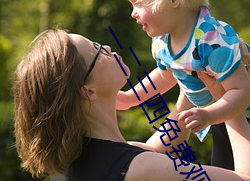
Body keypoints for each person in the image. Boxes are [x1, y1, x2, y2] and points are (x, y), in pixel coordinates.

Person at [13, 29, 250, 181]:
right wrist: (226, 96)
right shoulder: (138, 169)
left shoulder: (80, 163)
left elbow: (157, 149)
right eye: (97, 51)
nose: (106, 47)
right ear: (88, 91)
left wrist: (191, 68)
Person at [120, 0, 250, 170]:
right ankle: (148, 152)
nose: (132, 14)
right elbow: (166, 75)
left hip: (239, 117)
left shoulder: (211, 40)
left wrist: (209, 115)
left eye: (138, 3)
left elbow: (242, 91)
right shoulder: (162, 41)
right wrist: (130, 98)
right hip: (219, 119)